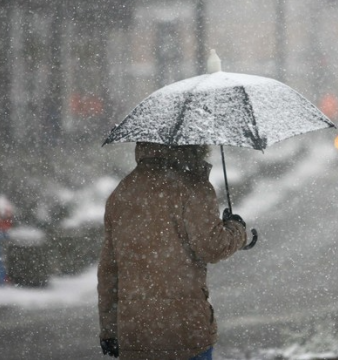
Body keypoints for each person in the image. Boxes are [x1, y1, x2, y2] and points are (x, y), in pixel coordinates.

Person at [97, 142, 247, 360]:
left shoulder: (123, 191)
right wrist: (236, 229)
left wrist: (109, 329)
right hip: (184, 332)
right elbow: (213, 247)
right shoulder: (194, 187)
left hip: (135, 334)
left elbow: (109, 271)